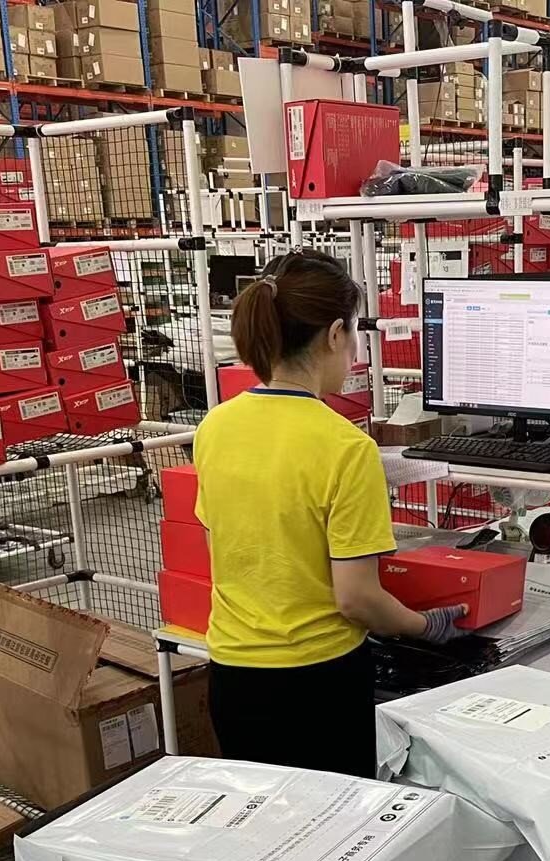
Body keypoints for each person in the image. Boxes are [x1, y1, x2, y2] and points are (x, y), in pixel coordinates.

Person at [192, 249, 466, 775]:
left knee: (267, 820)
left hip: (232, 676)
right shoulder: (345, 447)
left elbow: (229, 551)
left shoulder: (215, 426)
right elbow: (356, 599)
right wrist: (423, 626)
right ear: (336, 334)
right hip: (315, 684)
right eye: (356, 332)